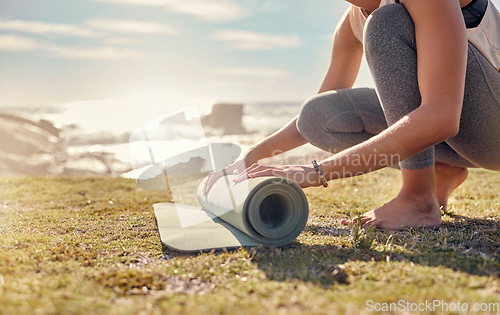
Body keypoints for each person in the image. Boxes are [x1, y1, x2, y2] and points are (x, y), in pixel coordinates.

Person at [204, 0, 500, 230]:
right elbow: (311, 121)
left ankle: (418, 198)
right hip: (466, 138)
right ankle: (439, 170)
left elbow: (441, 118)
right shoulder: (353, 20)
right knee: (317, 115)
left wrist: (313, 172)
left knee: (386, 24)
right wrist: (250, 158)